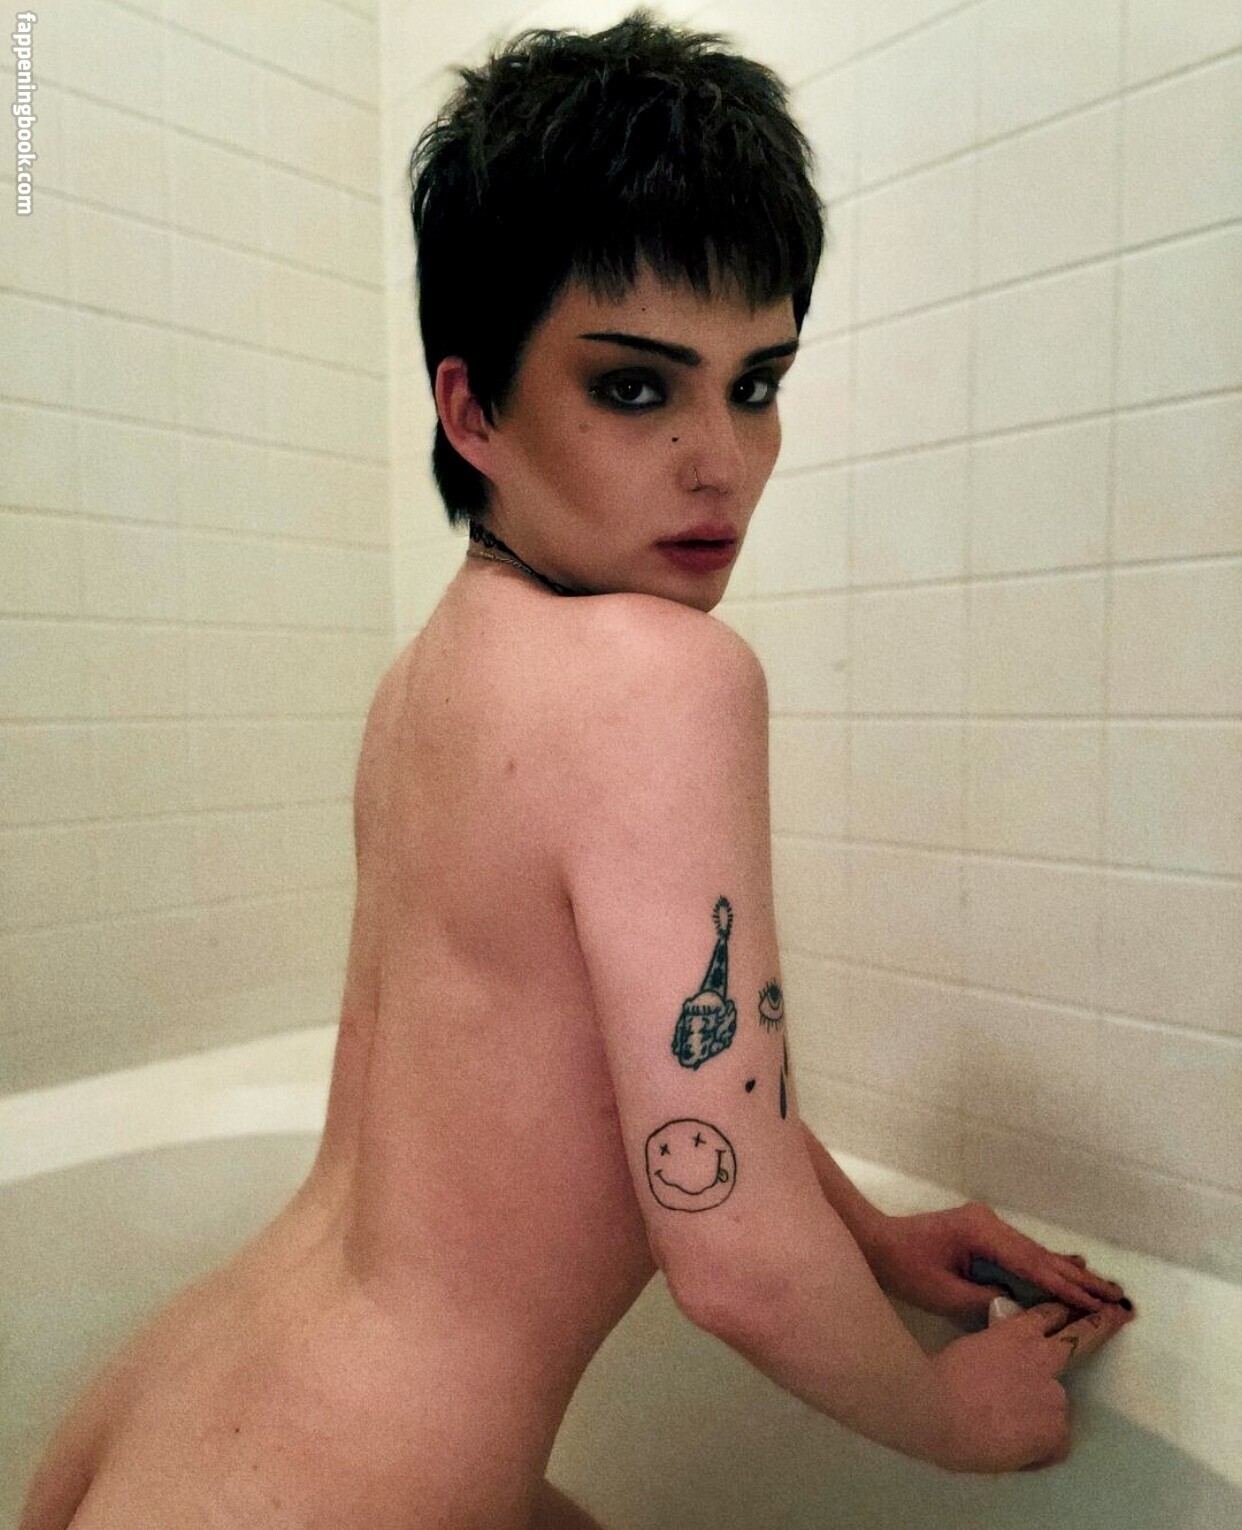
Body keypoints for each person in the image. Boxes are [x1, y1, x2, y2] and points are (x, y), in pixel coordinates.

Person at [21, 12, 1133, 1529]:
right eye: (636, 388)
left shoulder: (428, 681)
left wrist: (874, 1241)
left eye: (756, 383)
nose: (720, 460)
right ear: (471, 407)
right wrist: (949, 1413)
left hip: (179, 1418)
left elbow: (654, 1065)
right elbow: (731, 1261)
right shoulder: (663, 678)